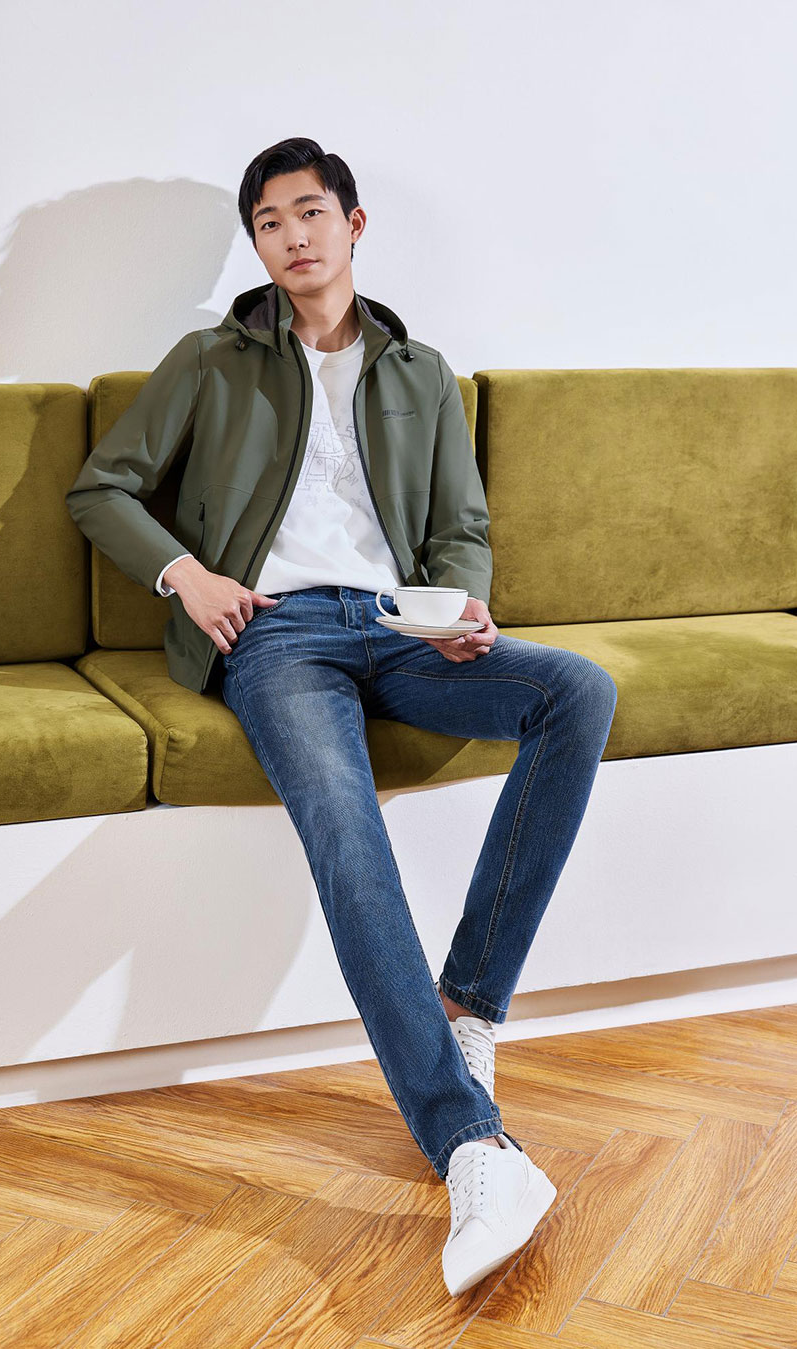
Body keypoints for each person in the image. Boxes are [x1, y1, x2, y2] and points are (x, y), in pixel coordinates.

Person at [65, 136, 618, 1297]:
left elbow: (460, 525)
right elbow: (101, 487)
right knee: (347, 835)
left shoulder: (420, 371)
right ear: (257, 244)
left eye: (309, 212)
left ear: (353, 225)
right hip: (275, 636)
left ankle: (470, 1001)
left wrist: (460, 605)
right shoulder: (211, 361)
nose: (292, 236)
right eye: (269, 222)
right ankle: (473, 1146)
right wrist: (188, 576)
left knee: (577, 689)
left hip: (402, 628)